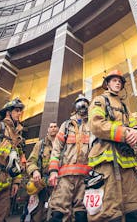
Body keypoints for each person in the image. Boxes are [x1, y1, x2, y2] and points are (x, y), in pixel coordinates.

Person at [87, 69, 137, 222]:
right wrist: (125, 133)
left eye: (120, 80)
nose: (118, 82)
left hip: (126, 162)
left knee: (133, 206)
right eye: (114, 80)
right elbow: (96, 124)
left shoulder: (125, 107)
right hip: (107, 162)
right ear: (107, 84)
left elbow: (135, 125)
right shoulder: (100, 100)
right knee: (110, 210)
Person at [48, 94, 91, 222]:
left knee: (81, 213)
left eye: (85, 103)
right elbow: (56, 149)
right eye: (80, 103)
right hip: (65, 179)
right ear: (75, 107)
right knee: (58, 212)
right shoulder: (66, 125)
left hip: (85, 178)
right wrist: (53, 171)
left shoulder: (91, 126)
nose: (83, 106)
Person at [25, 122, 59, 222]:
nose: (53, 128)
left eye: (55, 126)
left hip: (58, 185)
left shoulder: (63, 144)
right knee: (38, 215)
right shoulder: (40, 144)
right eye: (51, 127)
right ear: (48, 129)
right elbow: (31, 161)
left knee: (57, 213)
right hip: (41, 186)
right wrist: (35, 171)